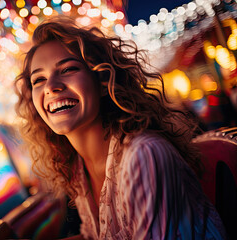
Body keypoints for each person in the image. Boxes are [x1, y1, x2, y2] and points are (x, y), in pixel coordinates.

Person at [14, 17, 226, 239]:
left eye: (67, 69)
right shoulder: (78, 168)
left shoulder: (144, 155)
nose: (51, 87)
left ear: (103, 81)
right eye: (38, 80)